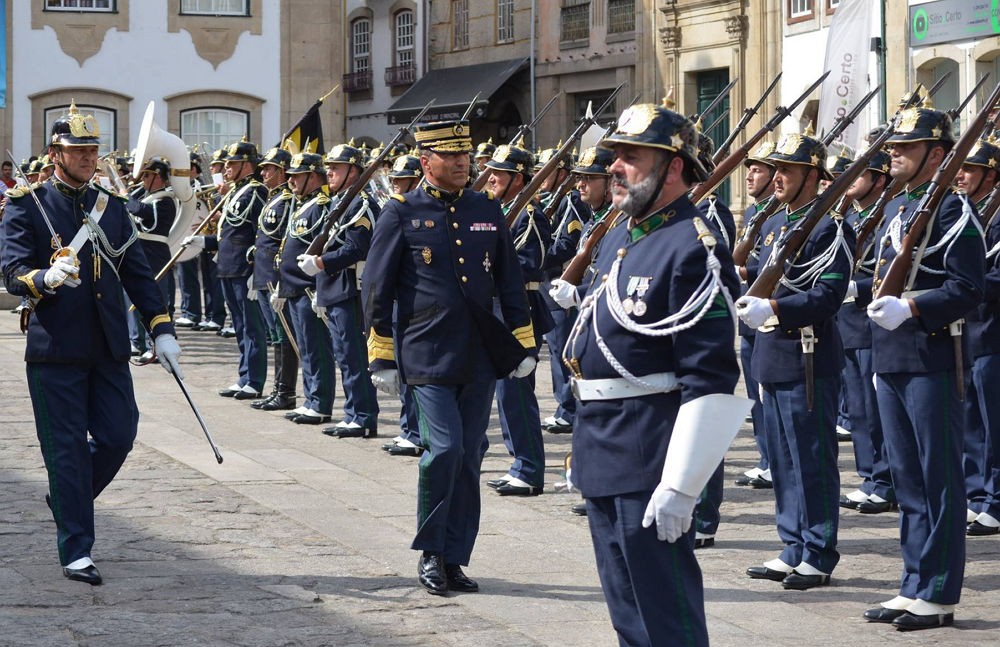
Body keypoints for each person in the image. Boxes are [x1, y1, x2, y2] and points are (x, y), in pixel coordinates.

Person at [550, 101, 746, 646]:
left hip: (649, 455)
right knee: (627, 611)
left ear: (673, 166)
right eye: (615, 156)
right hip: (601, 444)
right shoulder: (621, 234)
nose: (614, 167)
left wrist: (683, 486)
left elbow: (709, 374)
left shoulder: (693, 245)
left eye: (630, 157)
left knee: (666, 612)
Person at [0, 104, 182, 585]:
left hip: (107, 346)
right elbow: (12, 271)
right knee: (65, 452)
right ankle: (76, 547)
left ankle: (67, 496)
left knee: (120, 434)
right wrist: (45, 275)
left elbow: (137, 274)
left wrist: (162, 329)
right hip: (55, 347)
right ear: (55, 152)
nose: (87, 158)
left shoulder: (110, 204)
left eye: (92, 150)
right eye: (77, 150)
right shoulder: (26, 203)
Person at [363, 118, 536, 595]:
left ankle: (456, 556)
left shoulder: (486, 208)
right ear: (426, 162)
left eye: (466, 156)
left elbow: (508, 278)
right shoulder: (401, 212)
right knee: (444, 449)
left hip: (478, 353)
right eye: (451, 156)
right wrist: (380, 352)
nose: (463, 163)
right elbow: (376, 287)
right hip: (426, 352)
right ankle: (431, 552)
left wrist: (522, 341)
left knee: (471, 456)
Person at [855, 104, 984, 630]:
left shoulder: (954, 213)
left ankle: (938, 590)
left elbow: (967, 290)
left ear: (936, 154)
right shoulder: (895, 209)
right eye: (894, 147)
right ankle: (913, 581)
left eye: (906, 148)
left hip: (933, 357)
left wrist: (911, 307)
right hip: (890, 357)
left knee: (939, 478)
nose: (894, 154)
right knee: (908, 479)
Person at [737, 130, 854, 591]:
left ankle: (819, 550)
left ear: (812, 175)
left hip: (807, 356)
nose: (777, 177)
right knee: (781, 458)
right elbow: (762, 275)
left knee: (811, 458)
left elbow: (827, 295)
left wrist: (779, 308)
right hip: (771, 355)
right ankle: (792, 545)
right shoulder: (773, 224)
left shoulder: (829, 227)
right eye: (776, 168)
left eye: (787, 169)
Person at [295, 143, 380, 436]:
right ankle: (354, 412)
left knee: (354, 355)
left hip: (350, 289)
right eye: (329, 166)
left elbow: (356, 248)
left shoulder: (362, 204)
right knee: (343, 354)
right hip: (335, 287)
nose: (329, 171)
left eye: (336, 167)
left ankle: (364, 416)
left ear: (353, 171)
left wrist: (320, 262)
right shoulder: (341, 201)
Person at [482, 141, 551, 497]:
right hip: (495, 311)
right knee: (500, 393)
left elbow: (530, 263)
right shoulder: (498, 210)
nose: (490, 177)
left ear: (518, 179)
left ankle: (528, 468)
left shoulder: (530, 216)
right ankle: (517, 463)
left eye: (499, 173)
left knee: (516, 392)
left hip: (518, 311)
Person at [185, 140, 269, 399]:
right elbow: (228, 233)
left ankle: (254, 380)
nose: (227, 168)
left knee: (252, 327)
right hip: (228, 266)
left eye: (233, 164)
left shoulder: (256, 192)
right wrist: (204, 242)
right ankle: (244, 375)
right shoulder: (235, 192)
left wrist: (258, 268)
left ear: (247, 165)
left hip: (245, 267)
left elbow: (259, 234)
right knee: (241, 325)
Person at [837, 149, 896, 514]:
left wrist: (856, 288)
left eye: (861, 175)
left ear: (878, 180)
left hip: (871, 322)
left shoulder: (886, 217)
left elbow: (888, 271)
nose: (850, 182)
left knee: (876, 410)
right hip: (847, 325)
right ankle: (869, 475)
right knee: (858, 409)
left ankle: (886, 478)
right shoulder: (849, 218)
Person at [956, 137, 1000, 536]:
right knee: (970, 420)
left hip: (992, 332)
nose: (960, 176)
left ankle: (997, 498)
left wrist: (962, 284)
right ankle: (976, 493)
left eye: (969, 170)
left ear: (990, 174)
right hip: (966, 333)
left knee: (994, 421)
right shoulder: (964, 212)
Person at [272, 152, 336, 425]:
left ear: (313, 176)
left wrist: (321, 289)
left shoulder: (321, 206)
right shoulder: (302, 205)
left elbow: (324, 247)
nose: (291, 181)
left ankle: (320, 403)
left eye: (297, 176)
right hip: (294, 288)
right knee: (305, 349)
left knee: (317, 349)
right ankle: (310, 400)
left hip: (309, 288)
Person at [538, 146, 592, 435]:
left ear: (560, 173)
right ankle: (565, 407)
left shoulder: (569, 201)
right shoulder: (551, 200)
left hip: (560, 283)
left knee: (563, 350)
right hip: (550, 285)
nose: (541, 177)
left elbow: (568, 244)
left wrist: (538, 255)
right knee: (557, 349)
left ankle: (568, 409)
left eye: (547, 172)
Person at [733, 140, 777, 490]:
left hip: (772, 316)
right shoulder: (752, 214)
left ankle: (775, 459)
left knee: (767, 395)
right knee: (755, 396)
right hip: (749, 318)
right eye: (750, 168)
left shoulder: (778, 215)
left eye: (759, 169)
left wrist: (745, 272)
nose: (750, 175)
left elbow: (775, 264)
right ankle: (766, 458)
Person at [250, 147, 299, 412]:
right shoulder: (273, 199)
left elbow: (285, 239)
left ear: (282, 171)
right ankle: (278, 388)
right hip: (263, 272)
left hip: (275, 275)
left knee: (283, 335)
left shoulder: (289, 200)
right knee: (275, 335)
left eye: (269, 168)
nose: (264, 172)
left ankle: (286, 391)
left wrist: (280, 279)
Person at [126, 156, 179, 359]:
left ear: (158, 177)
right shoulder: (148, 196)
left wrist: (125, 196)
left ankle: (156, 346)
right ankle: (136, 341)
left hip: (155, 256)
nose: (142, 179)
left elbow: (144, 214)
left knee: (156, 301)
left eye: (146, 175)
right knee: (133, 300)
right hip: (139, 254)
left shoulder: (165, 200)